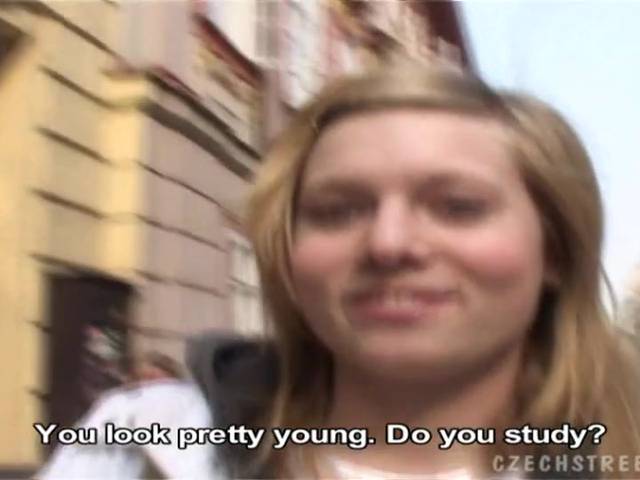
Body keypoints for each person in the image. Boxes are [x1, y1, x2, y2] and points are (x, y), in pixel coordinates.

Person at [186, 60, 640, 479]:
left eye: (457, 207)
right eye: (338, 211)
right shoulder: (169, 449)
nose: (388, 244)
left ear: (555, 251)